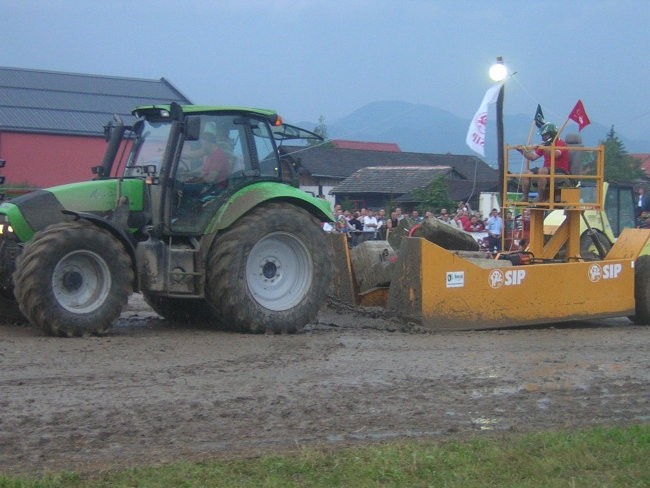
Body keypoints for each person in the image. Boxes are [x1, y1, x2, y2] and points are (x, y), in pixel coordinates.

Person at [515, 123, 570, 202]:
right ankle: (525, 197)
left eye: (545, 135)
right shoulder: (544, 145)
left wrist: (544, 148)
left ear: (552, 134)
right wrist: (521, 150)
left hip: (560, 171)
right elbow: (533, 157)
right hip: (546, 170)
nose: (543, 137)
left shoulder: (561, 144)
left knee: (542, 171)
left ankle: (540, 197)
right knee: (526, 173)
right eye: (543, 135)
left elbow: (555, 154)